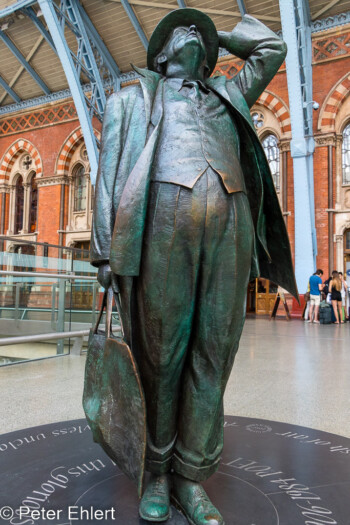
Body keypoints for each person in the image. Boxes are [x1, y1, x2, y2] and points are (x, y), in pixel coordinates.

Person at [90, 9, 298, 525]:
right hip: (162, 224)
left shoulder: (229, 95)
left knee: (213, 351)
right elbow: (110, 171)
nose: (193, 37)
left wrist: (216, 34)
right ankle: (156, 471)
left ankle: (191, 475)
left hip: (229, 224)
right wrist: (103, 253)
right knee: (162, 354)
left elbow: (273, 47)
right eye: (180, 33)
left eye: (198, 37)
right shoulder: (133, 99)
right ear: (159, 57)